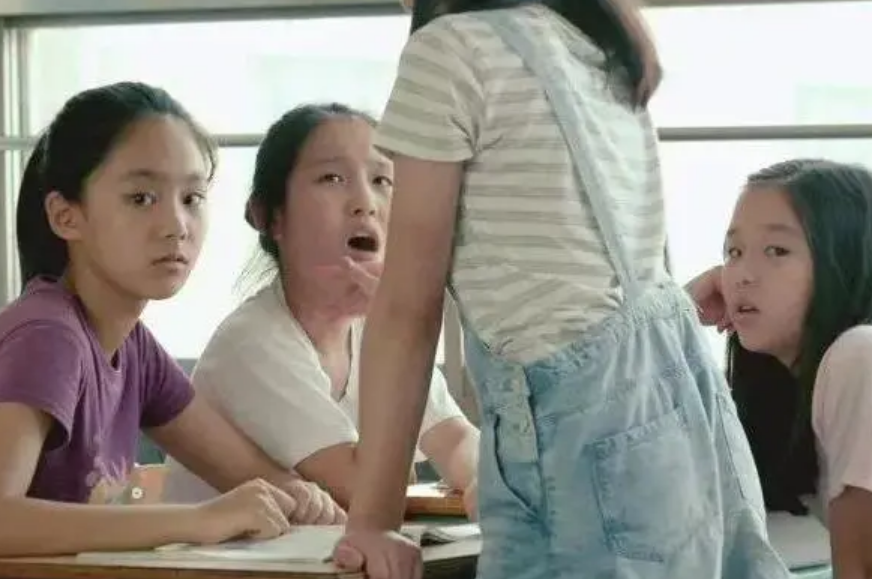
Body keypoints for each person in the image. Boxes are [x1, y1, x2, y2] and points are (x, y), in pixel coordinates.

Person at [331, 0, 791, 577]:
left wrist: (374, 521)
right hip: (682, 412)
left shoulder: (449, 51)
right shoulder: (596, 41)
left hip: (572, 435)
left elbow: (406, 308)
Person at [0, 82, 342, 558]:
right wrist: (201, 519)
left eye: (192, 198)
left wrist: (301, 499)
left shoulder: (133, 348)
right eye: (141, 198)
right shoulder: (47, 337)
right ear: (66, 216)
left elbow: (255, 479)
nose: (176, 226)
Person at [163, 103, 479, 516]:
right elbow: (364, 487)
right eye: (332, 178)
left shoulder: (368, 328)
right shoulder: (253, 342)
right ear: (270, 216)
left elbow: (456, 439)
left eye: (382, 180)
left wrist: (480, 483)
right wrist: (400, 325)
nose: (365, 203)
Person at [688, 159, 872, 577]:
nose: (742, 275)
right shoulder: (795, 386)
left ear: (844, 260)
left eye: (777, 251)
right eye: (734, 252)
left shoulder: (859, 356)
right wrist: (680, 311)